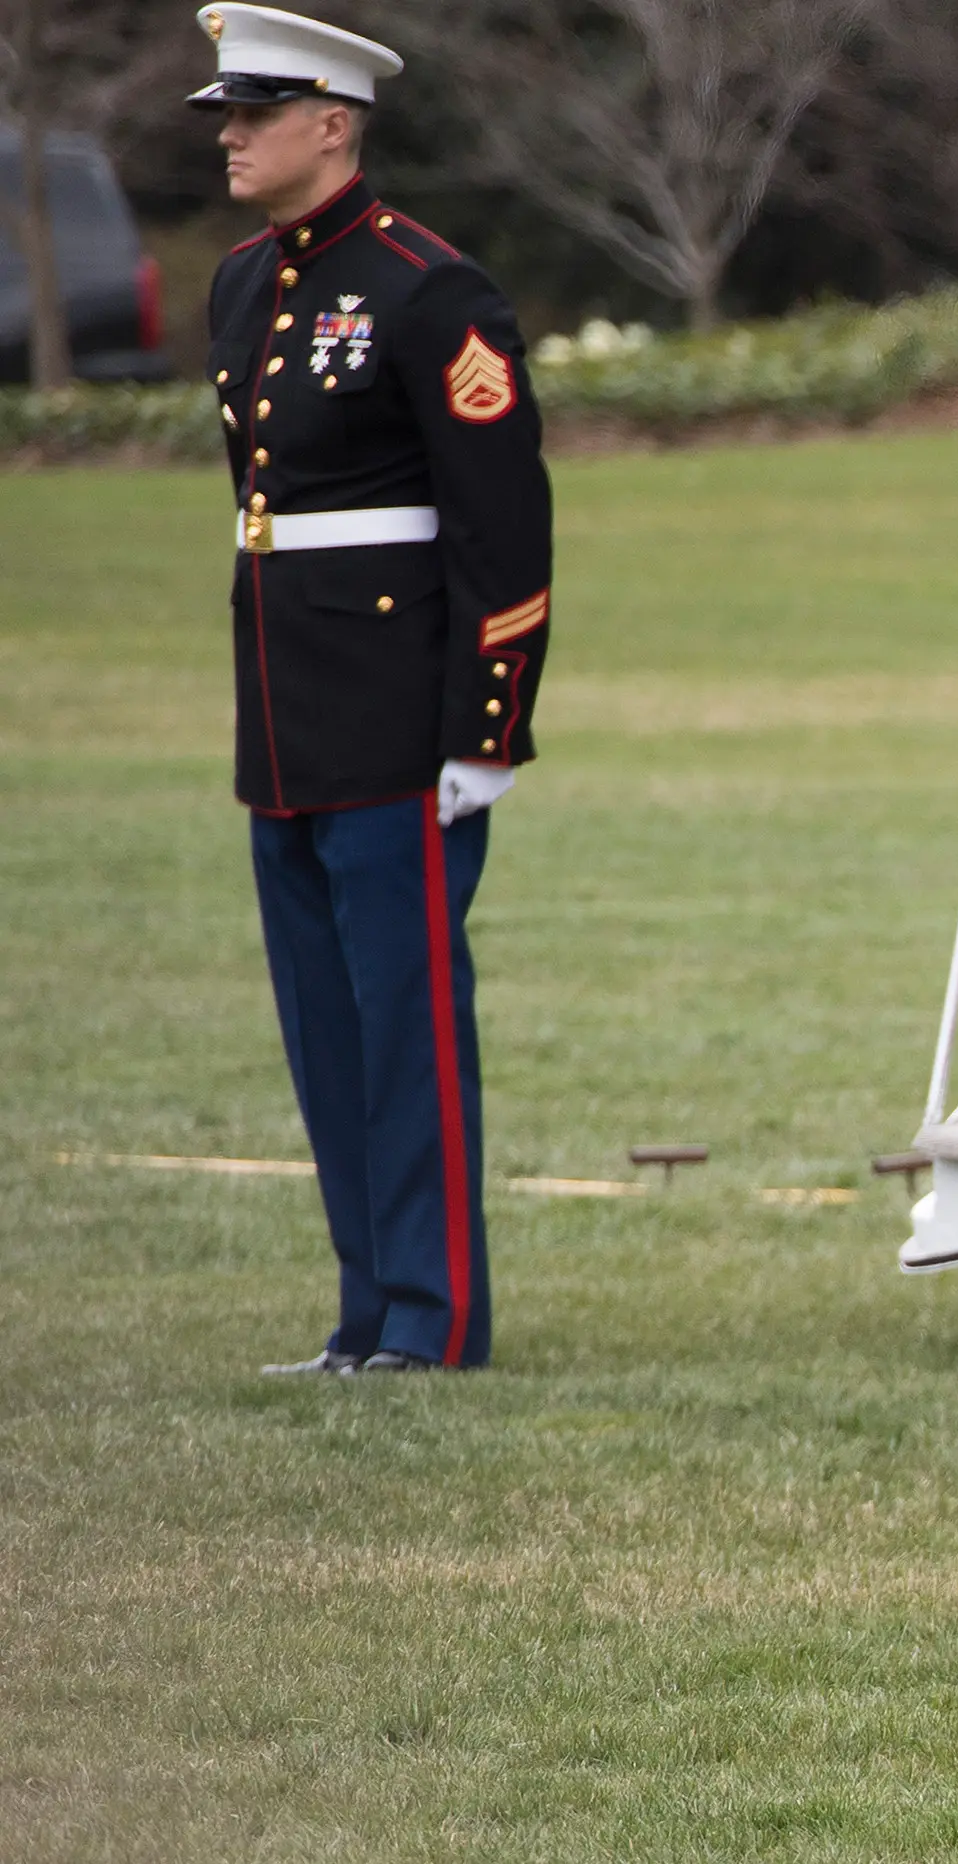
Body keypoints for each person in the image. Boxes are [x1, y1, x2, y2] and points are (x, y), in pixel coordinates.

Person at [192, 6, 553, 1375]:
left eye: (256, 110)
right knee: (325, 1032)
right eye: (226, 111)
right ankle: (364, 1317)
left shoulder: (427, 290)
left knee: (404, 1026)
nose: (229, 133)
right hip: (287, 717)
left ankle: (434, 1318)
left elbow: (499, 529)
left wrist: (489, 731)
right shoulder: (241, 285)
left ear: (332, 122)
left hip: (404, 725)